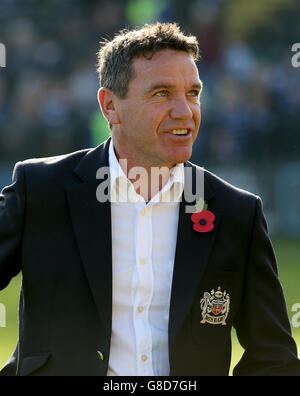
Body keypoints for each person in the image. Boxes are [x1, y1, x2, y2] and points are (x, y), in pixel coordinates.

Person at [0, 22, 299, 376]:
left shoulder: (237, 212)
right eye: (162, 93)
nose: (185, 112)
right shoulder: (41, 189)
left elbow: (275, 357)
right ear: (110, 106)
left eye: (193, 92)